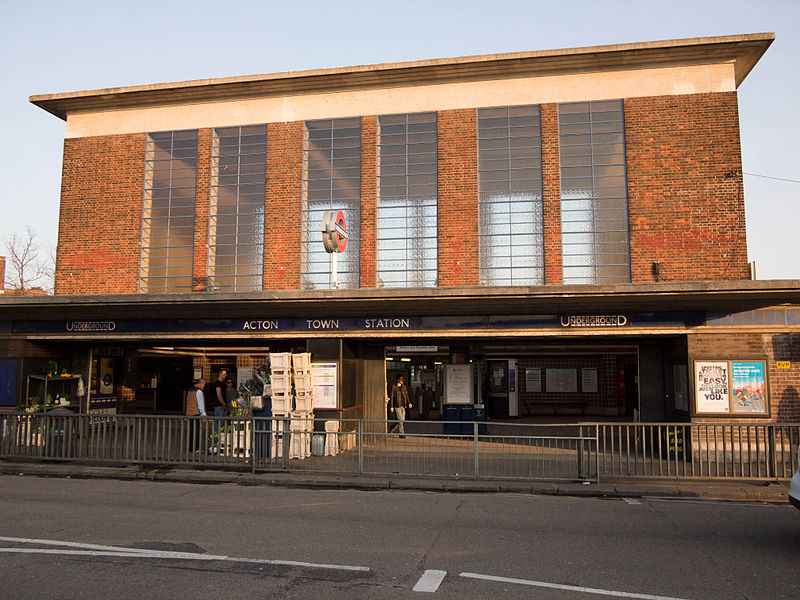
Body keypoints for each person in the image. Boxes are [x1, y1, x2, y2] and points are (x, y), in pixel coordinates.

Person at [190, 378, 206, 452]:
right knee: (196, 431)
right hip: (196, 413)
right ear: (200, 384)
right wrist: (203, 414)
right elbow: (200, 404)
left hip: (190, 413)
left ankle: (191, 447)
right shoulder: (199, 391)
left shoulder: (190, 390)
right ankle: (196, 448)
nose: (204, 386)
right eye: (204, 384)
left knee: (191, 431)